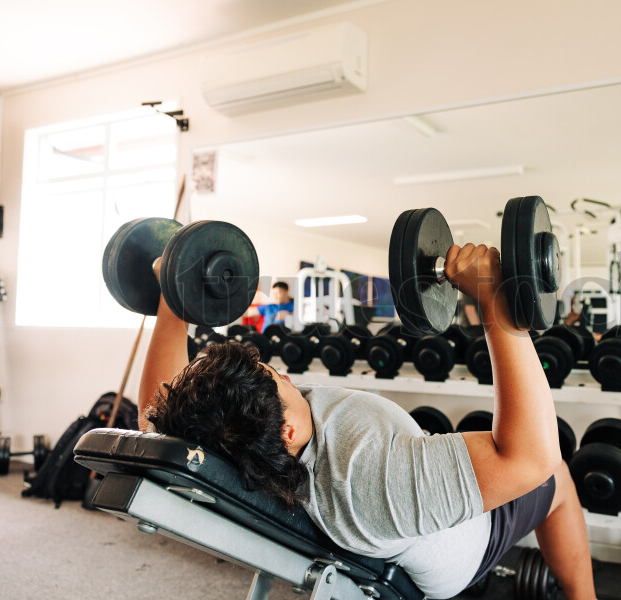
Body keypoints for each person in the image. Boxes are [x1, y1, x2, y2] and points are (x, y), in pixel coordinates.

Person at [139, 244, 597, 600]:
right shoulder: (367, 475)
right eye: (275, 378)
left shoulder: (231, 448)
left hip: (403, 495)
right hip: (464, 547)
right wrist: (494, 301)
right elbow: (532, 458)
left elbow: (156, 416)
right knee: (558, 476)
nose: (283, 373)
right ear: (287, 432)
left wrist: (172, 295)